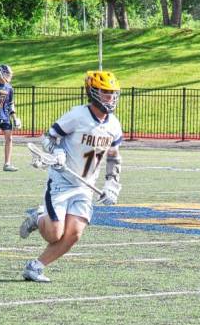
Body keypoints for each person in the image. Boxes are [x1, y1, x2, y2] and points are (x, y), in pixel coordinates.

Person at [18, 70, 124, 282]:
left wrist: (112, 183)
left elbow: (114, 156)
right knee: (54, 234)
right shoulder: (78, 115)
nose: (110, 98)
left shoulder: (114, 124)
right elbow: (49, 137)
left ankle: (35, 267)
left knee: (74, 233)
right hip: (62, 181)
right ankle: (39, 218)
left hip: (85, 187)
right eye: (105, 93)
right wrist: (56, 152)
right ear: (92, 92)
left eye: (113, 93)